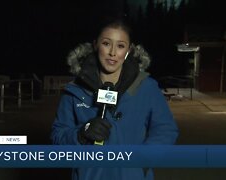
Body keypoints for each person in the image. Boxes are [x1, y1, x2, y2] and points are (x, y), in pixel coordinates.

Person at [51, 18, 179, 180]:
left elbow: (166, 129)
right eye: (106, 43)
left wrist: (142, 160)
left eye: (120, 46)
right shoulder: (75, 90)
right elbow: (57, 136)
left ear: (128, 50)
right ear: (96, 44)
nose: (112, 52)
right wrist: (81, 135)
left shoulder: (146, 87)